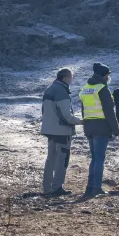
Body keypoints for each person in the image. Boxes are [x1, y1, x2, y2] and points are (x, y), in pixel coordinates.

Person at [40, 67, 84, 197]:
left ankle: (47, 187)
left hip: (50, 130)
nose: (72, 79)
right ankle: (57, 187)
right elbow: (66, 115)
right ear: (65, 78)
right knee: (62, 160)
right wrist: (80, 122)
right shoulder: (61, 91)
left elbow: (44, 111)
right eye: (71, 76)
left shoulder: (50, 89)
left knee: (51, 159)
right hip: (62, 131)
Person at [78, 62, 119, 197]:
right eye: (108, 74)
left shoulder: (85, 89)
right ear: (104, 75)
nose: (108, 77)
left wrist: (85, 126)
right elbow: (109, 112)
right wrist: (116, 130)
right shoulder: (102, 89)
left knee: (94, 158)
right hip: (101, 127)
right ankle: (97, 187)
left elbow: (83, 110)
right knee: (99, 158)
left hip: (89, 127)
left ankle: (90, 187)